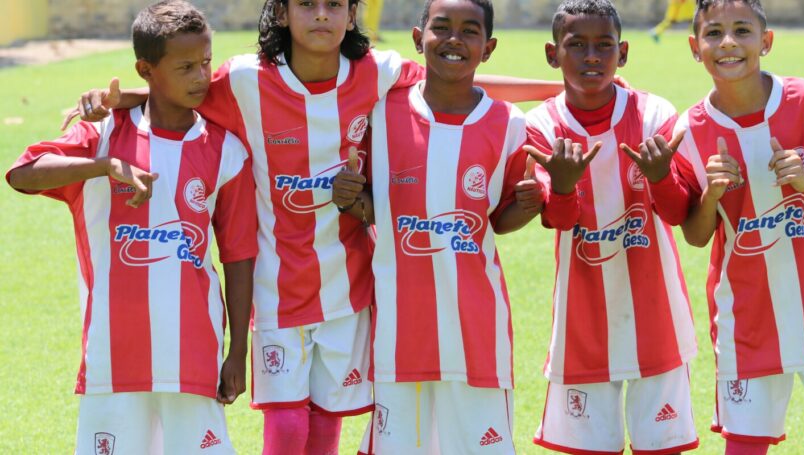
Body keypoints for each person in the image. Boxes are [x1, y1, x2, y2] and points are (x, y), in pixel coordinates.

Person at [70, 1, 563, 452]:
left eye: (334, 5)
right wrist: (121, 98)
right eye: (307, 4)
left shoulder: (377, 72)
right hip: (275, 285)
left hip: (347, 285)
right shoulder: (244, 79)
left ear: (352, 14)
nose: (322, 15)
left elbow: (459, 79)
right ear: (282, 13)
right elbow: (181, 87)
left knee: (327, 420)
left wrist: (565, 91)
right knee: (286, 423)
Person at [6, 1, 257, 453]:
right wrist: (105, 166)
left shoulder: (226, 151)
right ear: (146, 69)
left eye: (205, 62)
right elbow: (22, 173)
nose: (201, 76)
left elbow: (239, 256)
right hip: (113, 356)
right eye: (185, 67)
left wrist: (237, 350)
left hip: (191, 353)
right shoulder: (103, 134)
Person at [348, 0, 584, 452]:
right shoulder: (381, 112)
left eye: (470, 31)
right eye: (441, 27)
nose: (454, 39)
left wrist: (528, 204)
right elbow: (373, 205)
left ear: (488, 48)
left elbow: (500, 219)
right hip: (398, 328)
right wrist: (351, 199)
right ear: (418, 38)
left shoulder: (508, 124)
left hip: (477, 328)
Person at [649, 1, 804, 454]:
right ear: (695, 47)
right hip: (746, 319)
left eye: (742, 31)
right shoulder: (690, 129)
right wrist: (712, 195)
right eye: (713, 33)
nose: (728, 43)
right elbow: (696, 235)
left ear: (766, 41)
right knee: (745, 444)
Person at [521, 1, 699, 454]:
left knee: (663, 445)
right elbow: (558, 220)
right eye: (576, 45)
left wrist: (660, 178)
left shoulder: (654, 113)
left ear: (623, 53)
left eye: (604, 45)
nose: (591, 57)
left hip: (657, 315)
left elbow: (679, 213)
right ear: (552, 54)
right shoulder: (540, 125)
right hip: (580, 323)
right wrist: (564, 186)